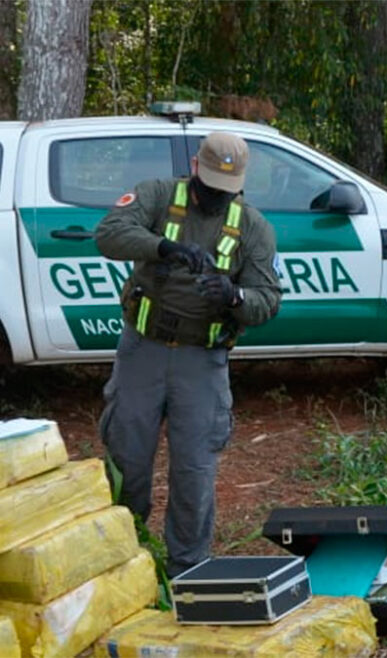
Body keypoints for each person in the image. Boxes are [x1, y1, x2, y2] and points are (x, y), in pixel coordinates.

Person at [95, 132, 282, 577]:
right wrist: (164, 247)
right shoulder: (159, 195)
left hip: (202, 361)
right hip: (144, 350)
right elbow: (109, 233)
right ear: (196, 168)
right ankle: (123, 562)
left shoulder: (253, 226)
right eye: (210, 187)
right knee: (127, 461)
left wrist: (233, 296)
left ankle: (187, 571)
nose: (216, 198)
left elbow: (268, 300)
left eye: (226, 192)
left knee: (194, 473)